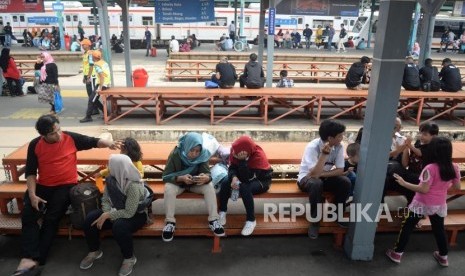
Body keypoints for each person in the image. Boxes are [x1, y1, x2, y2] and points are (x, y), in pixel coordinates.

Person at [10, 115, 119, 276]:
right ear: (44, 135)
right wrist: (32, 195)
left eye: (59, 129)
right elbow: (31, 173)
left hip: (65, 186)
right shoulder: (35, 145)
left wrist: (109, 143)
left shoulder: (70, 138)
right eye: (53, 133)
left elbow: (93, 141)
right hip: (42, 186)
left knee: (51, 218)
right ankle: (29, 258)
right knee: (28, 216)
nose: (59, 135)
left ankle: (35, 261)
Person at [386, 137, 460, 266]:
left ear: (434, 151)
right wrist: (442, 188)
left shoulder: (430, 168)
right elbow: (457, 187)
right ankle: (443, 257)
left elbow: (423, 189)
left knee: (407, 226)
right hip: (439, 204)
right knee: (439, 230)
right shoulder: (454, 166)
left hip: (421, 204)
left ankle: (397, 253)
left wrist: (404, 183)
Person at [80, 154, 148, 276]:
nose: (109, 168)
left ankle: (129, 258)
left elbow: (129, 212)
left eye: (111, 166)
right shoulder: (111, 179)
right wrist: (107, 212)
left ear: (119, 168)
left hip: (136, 214)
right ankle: (94, 251)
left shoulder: (133, 185)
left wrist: (109, 215)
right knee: (90, 219)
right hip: (115, 210)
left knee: (119, 226)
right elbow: (105, 199)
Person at [161, 132, 225, 242]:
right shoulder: (176, 154)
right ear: (187, 146)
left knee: (209, 186)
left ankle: (213, 220)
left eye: (197, 151)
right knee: (168, 188)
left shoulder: (203, 154)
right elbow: (166, 176)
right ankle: (170, 222)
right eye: (192, 150)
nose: (195, 154)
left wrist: (205, 177)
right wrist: (181, 178)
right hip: (179, 183)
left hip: (195, 184)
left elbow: (208, 174)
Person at [297, 119, 351, 239]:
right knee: (316, 184)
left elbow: (340, 170)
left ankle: (338, 215)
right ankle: (315, 222)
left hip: (321, 177)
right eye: (340, 135)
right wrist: (324, 155)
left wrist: (321, 175)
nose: (342, 138)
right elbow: (313, 174)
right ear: (330, 138)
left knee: (345, 182)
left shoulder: (339, 147)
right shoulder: (313, 147)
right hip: (306, 178)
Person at [218, 136, 273, 236]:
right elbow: (232, 168)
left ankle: (251, 220)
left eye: (237, 152)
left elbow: (247, 178)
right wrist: (234, 177)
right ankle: (222, 211)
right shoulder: (235, 151)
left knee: (244, 187)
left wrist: (242, 161)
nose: (234, 153)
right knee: (225, 182)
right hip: (244, 175)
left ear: (245, 151)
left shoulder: (258, 156)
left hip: (261, 180)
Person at [80, 50, 111, 123]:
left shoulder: (97, 65)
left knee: (91, 100)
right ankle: (106, 112)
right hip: (106, 84)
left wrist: (99, 89)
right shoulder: (104, 63)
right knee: (94, 99)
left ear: (94, 57)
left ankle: (88, 116)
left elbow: (101, 77)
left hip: (101, 85)